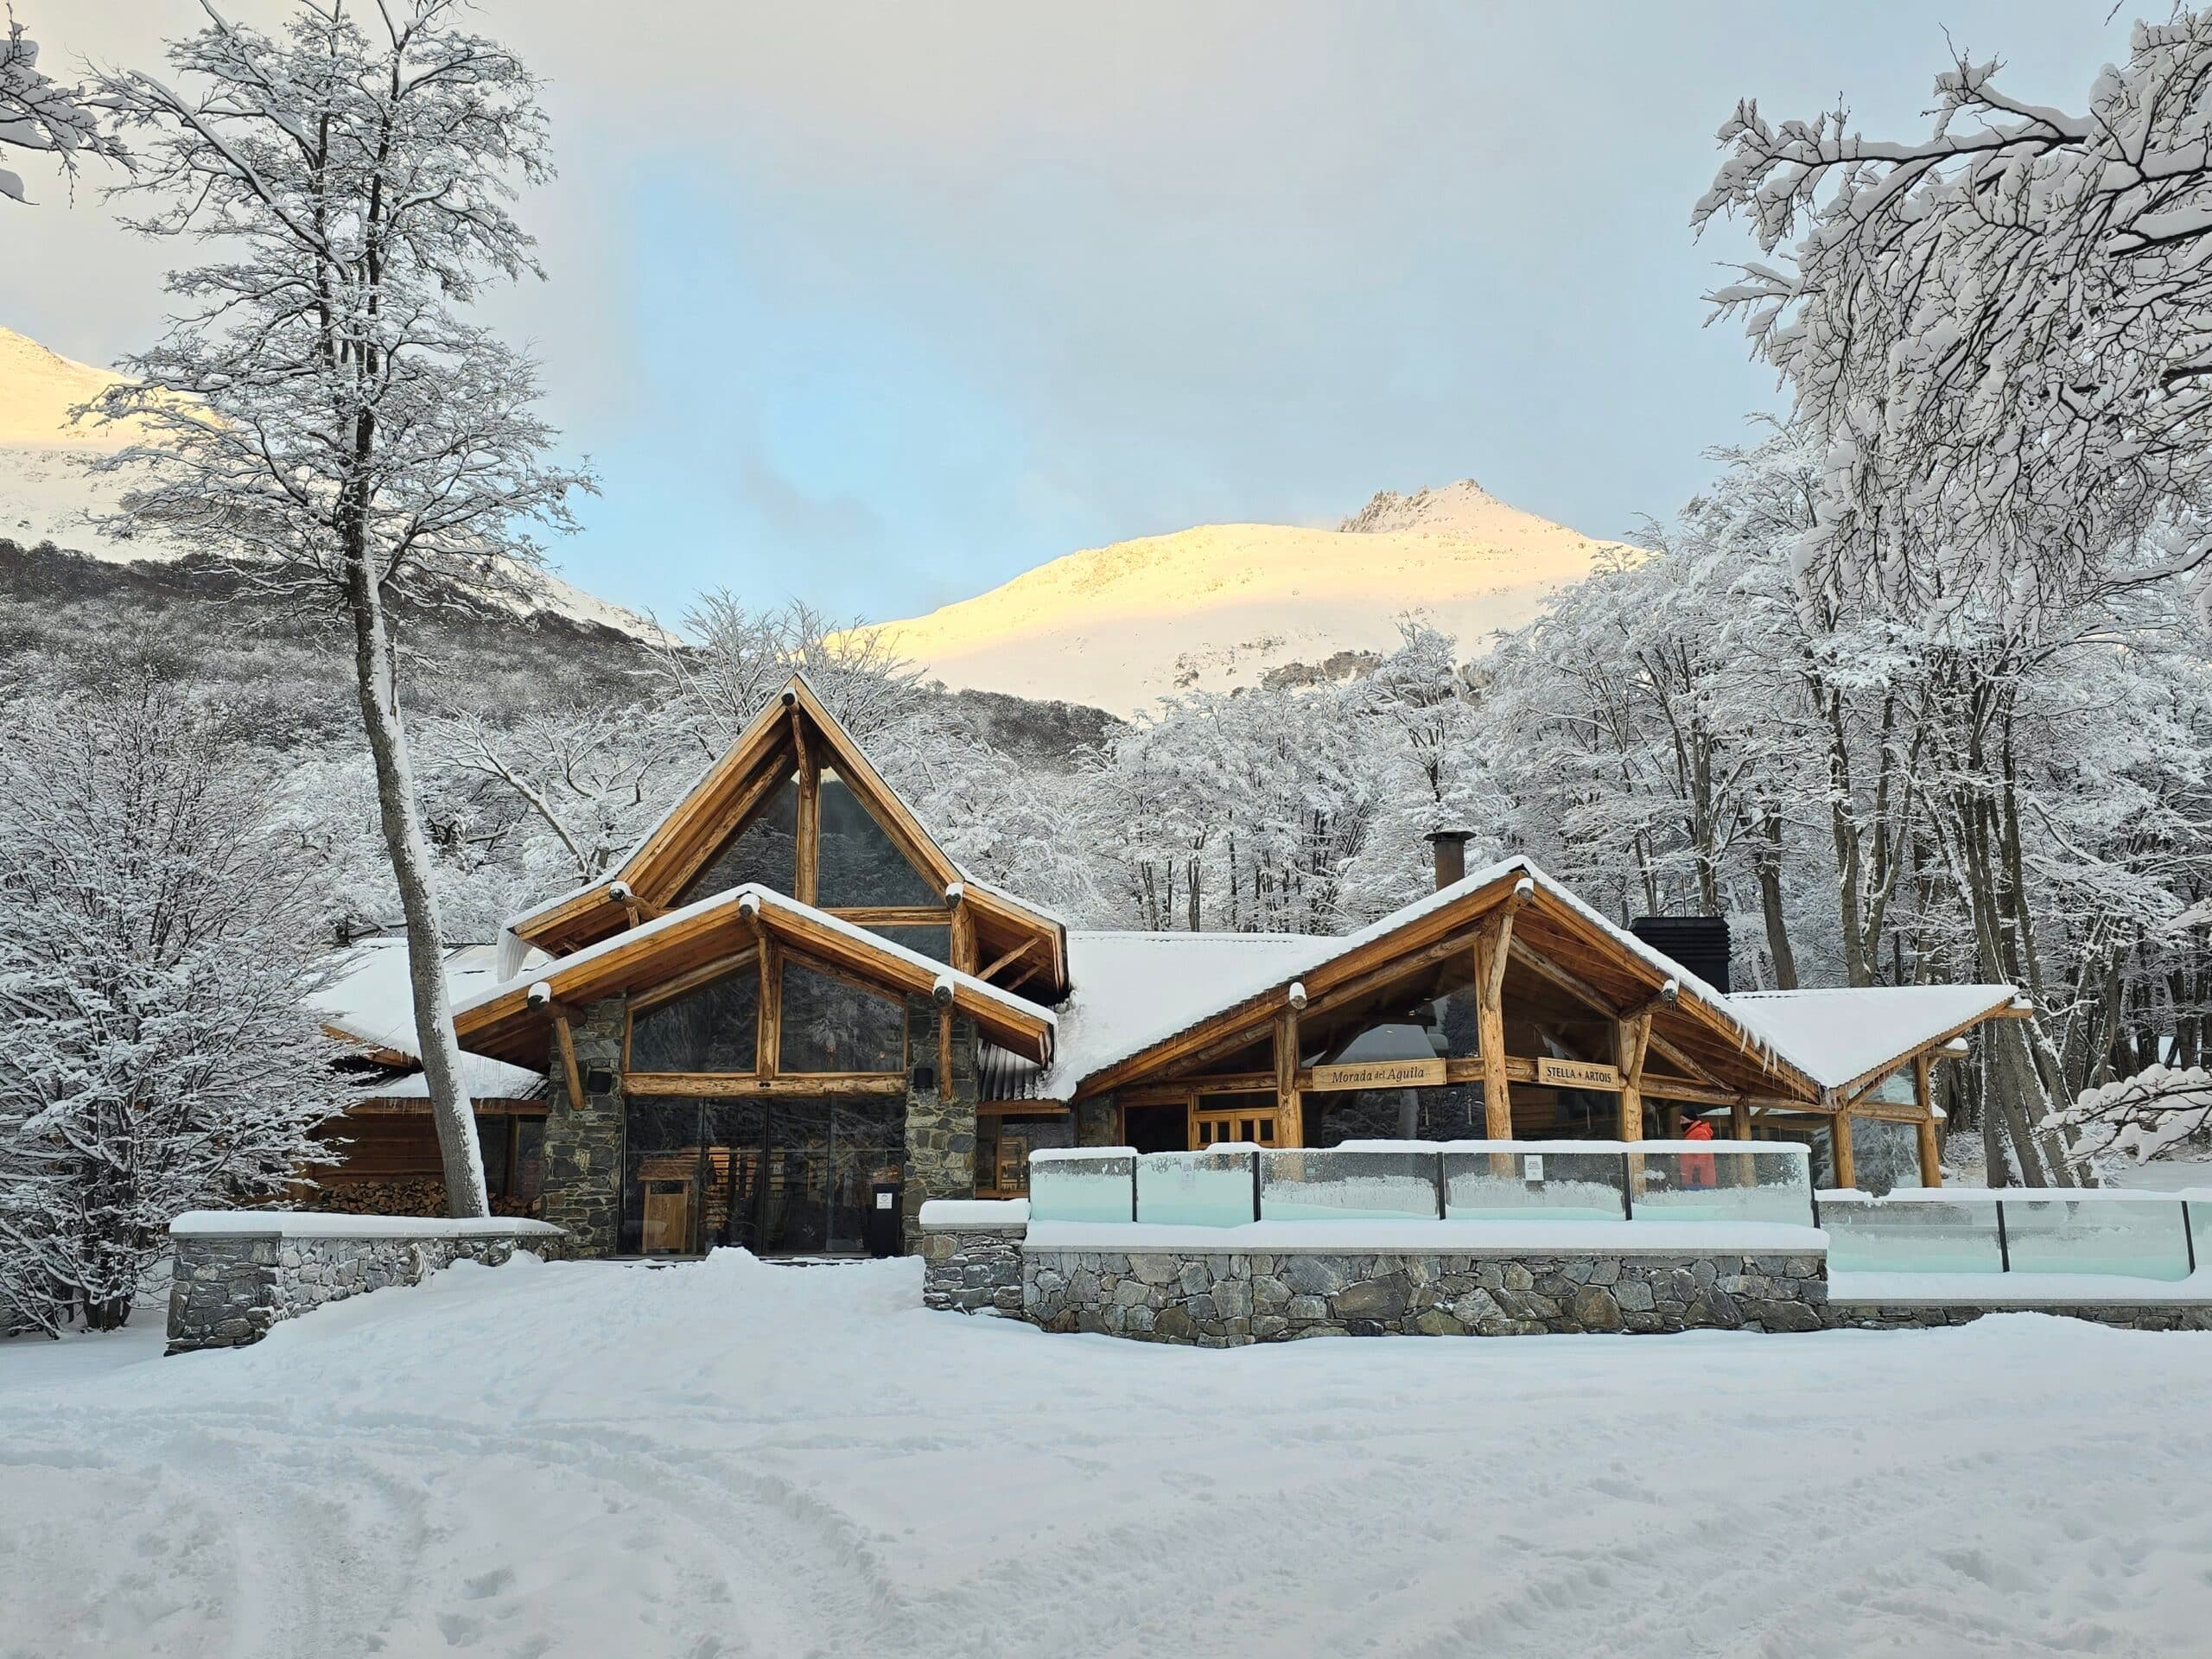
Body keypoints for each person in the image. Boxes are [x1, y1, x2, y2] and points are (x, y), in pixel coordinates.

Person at [1678, 1112, 1716, 1189]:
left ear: (1691, 1120)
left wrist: (1695, 1175)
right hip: (1694, 1180)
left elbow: (1704, 1155)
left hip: (1700, 1182)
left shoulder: (1700, 1133)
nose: (1680, 1123)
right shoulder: (1692, 1133)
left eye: (1682, 1120)